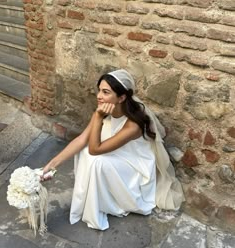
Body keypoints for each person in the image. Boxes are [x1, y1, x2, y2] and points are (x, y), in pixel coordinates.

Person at [43, 69, 185, 230]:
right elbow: (82, 139)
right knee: (85, 151)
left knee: (96, 160)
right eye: (99, 90)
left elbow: (95, 149)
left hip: (135, 167)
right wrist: (51, 165)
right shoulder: (105, 110)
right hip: (116, 156)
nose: (99, 96)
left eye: (105, 92)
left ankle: (109, 202)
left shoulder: (133, 125)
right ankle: (95, 196)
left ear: (122, 97)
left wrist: (97, 117)